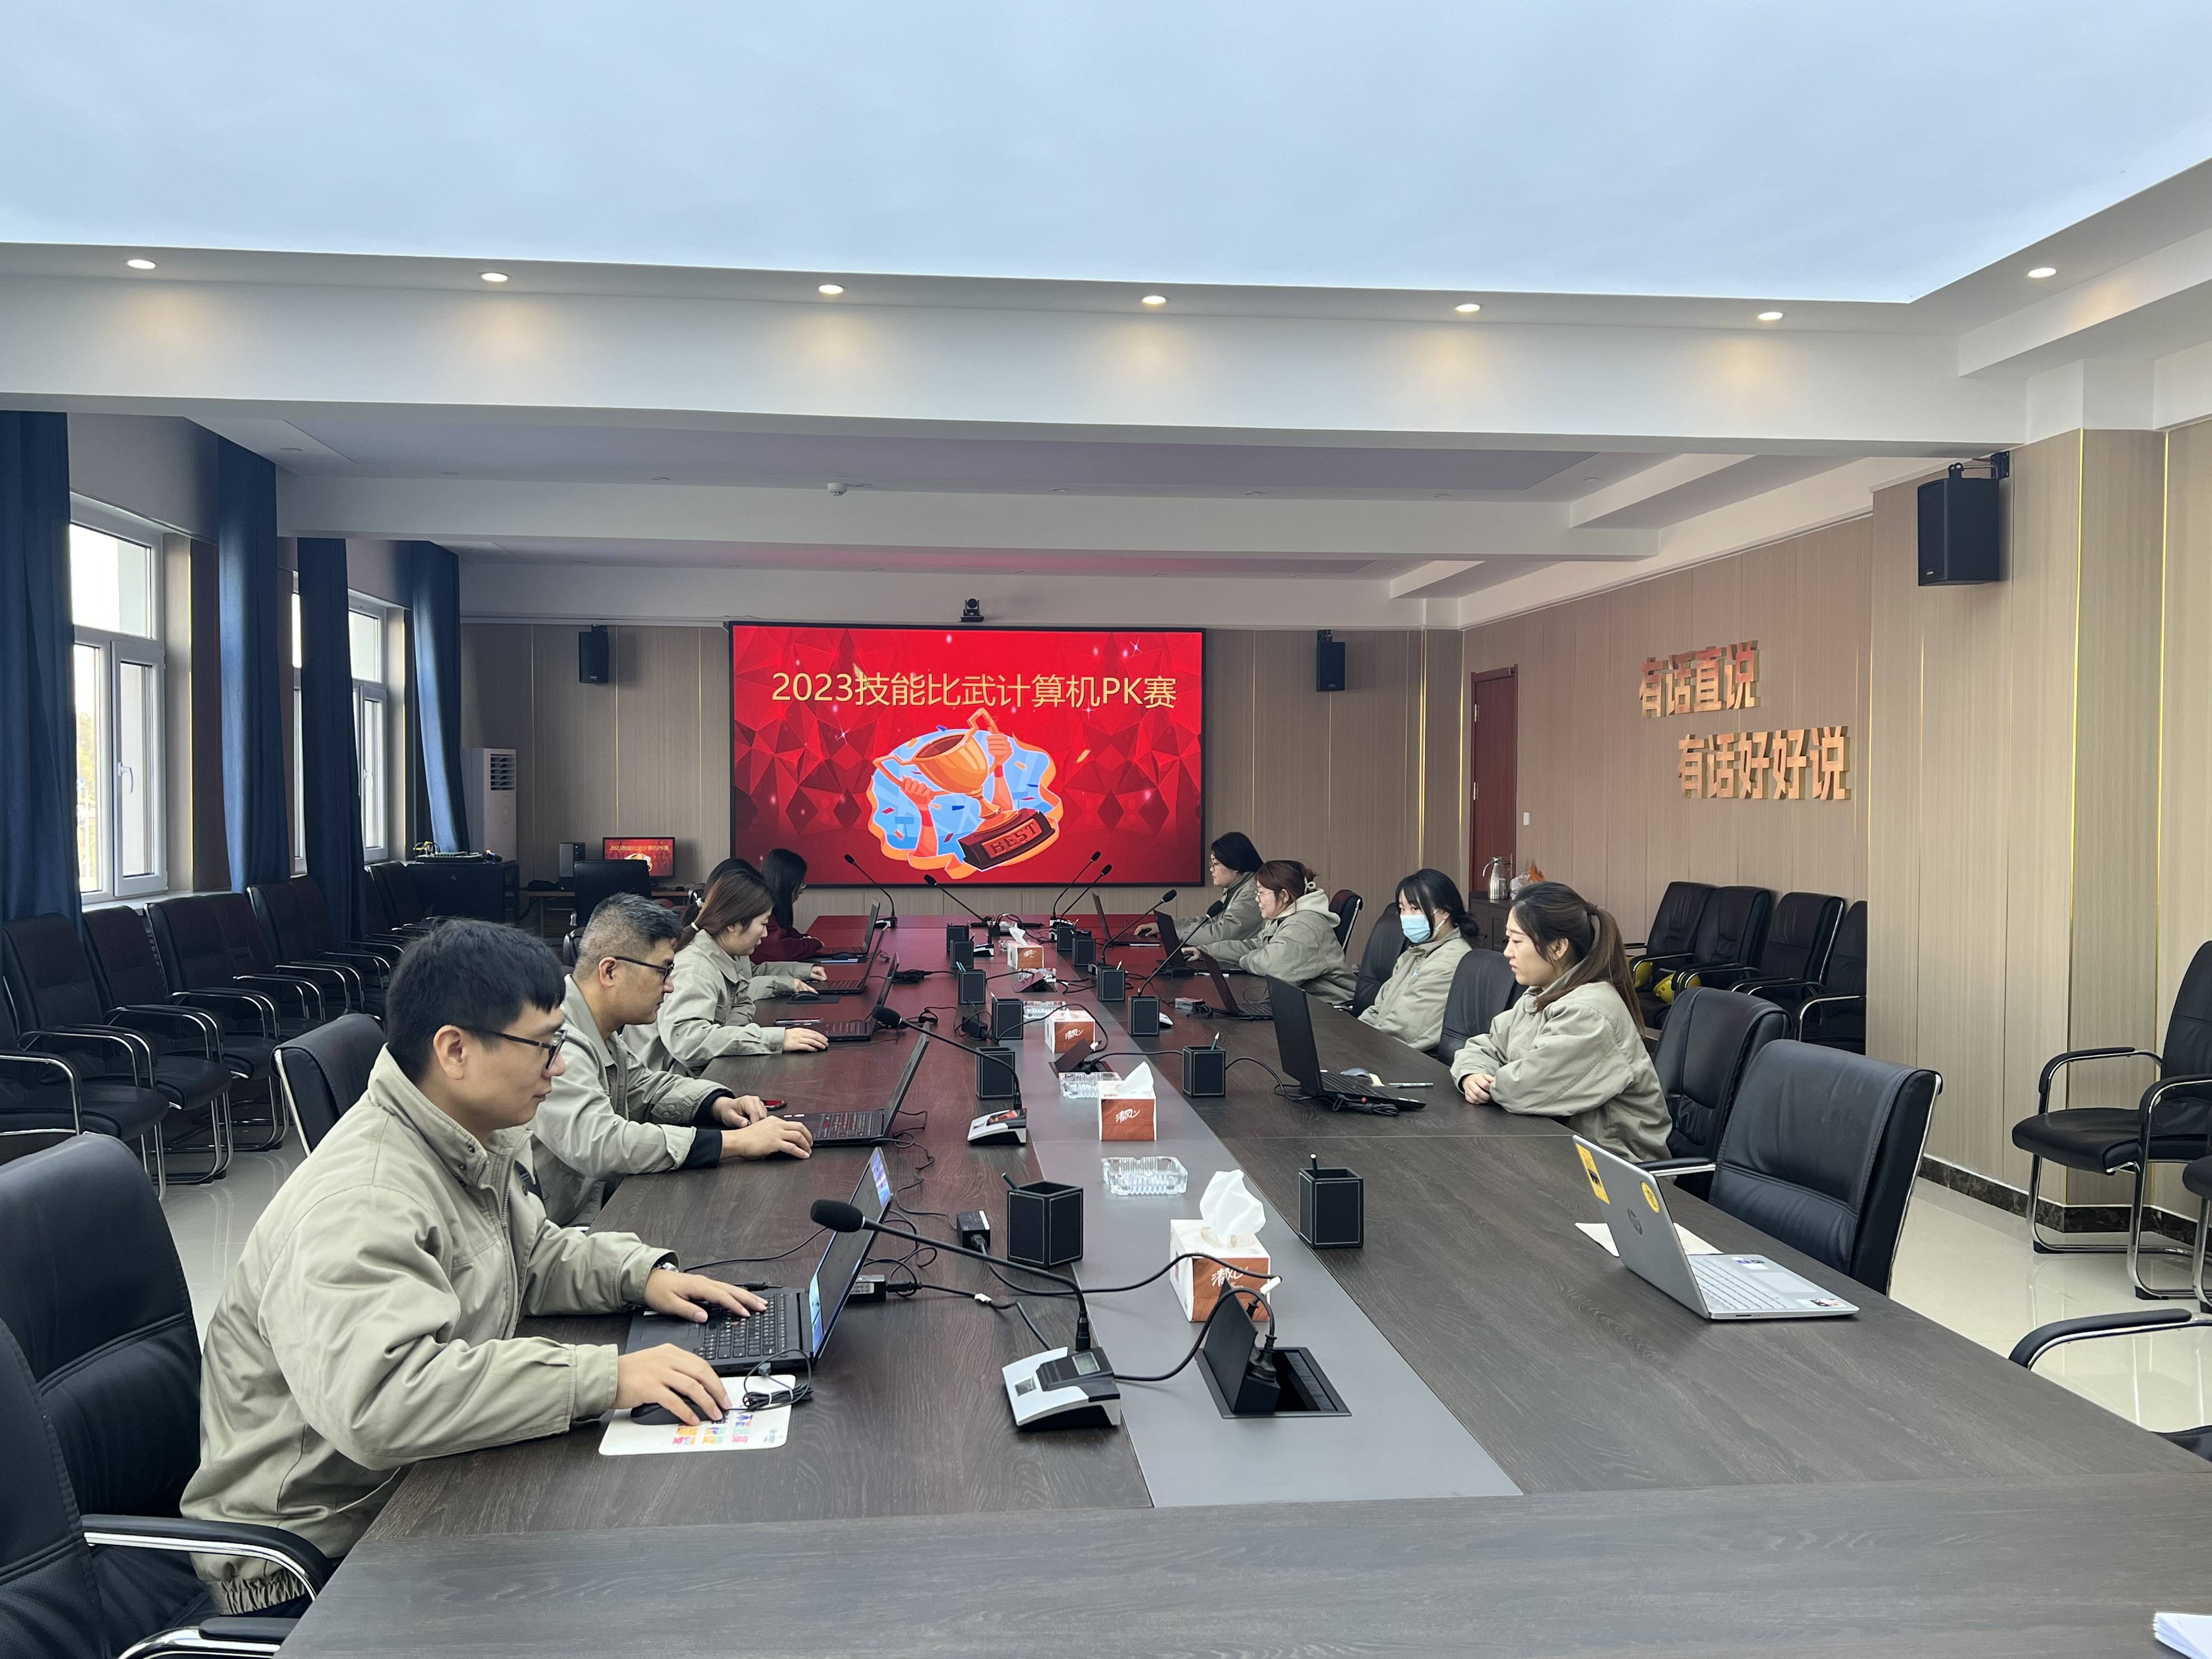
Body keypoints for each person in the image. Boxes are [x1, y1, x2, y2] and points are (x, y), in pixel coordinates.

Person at [181, 920, 764, 1615]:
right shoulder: (362, 1198)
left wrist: (643, 1276)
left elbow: (531, 1255)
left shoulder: (465, 1136)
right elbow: (383, 1404)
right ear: (454, 1049)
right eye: (544, 1047)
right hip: (316, 1558)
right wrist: (603, 1377)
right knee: (637, 1596)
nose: (560, 1069)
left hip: (414, 1485)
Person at [532, 892, 813, 1226]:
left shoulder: (599, 1029)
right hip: (567, 1227)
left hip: (599, 1203)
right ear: (610, 972)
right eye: (663, 971)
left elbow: (645, 1087)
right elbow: (602, 1144)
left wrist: (718, 1104)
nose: (670, 987)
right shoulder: (558, 1041)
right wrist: (734, 1142)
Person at [1448, 880, 1670, 1160]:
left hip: (1613, 1169)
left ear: (1558, 947)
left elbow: (1523, 1089)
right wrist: (1471, 1074)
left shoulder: (1589, 1012)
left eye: (1517, 941)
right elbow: (1484, 1046)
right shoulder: (1541, 995)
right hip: (1558, 1148)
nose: (1507, 952)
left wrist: (1489, 1084)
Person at [636, 870, 836, 1077]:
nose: (765, 934)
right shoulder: (695, 970)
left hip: (699, 1073)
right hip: (669, 1083)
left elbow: (740, 1009)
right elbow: (689, 1043)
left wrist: (743, 1039)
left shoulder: (728, 955)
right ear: (733, 924)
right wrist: (773, 1040)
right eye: (763, 924)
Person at [1201, 859, 1355, 1001]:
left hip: (1330, 1013)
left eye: (1261, 893)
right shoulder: (1287, 918)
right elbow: (1257, 946)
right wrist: (1206, 951)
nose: (1257, 899)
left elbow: (1273, 967)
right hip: (1306, 1005)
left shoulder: (1305, 926)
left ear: (1283, 896)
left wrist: (1244, 959)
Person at [1357, 868, 1475, 1052]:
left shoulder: (1450, 962)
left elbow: (1404, 1030)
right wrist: (1353, 1036)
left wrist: (1357, 1045)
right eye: (1402, 909)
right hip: (1381, 1048)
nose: (1406, 917)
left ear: (1445, 911)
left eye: (1415, 908)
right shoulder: (1413, 954)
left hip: (1403, 1057)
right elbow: (1377, 1010)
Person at [1134, 832, 1265, 949]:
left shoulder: (1252, 892)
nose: (1211, 869)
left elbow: (1221, 934)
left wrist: (1172, 933)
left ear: (1235, 864)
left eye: (1215, 864)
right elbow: (1211, 922)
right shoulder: (1237, 888)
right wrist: (1167, 927)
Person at [754, 848, 826, 961]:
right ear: (786, 883)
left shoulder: (771, 907)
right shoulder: (762, 909)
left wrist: (805, 940)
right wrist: (813, 944)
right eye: (801, 882)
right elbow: (781, 950)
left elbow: (788, 934)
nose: (802, 889)